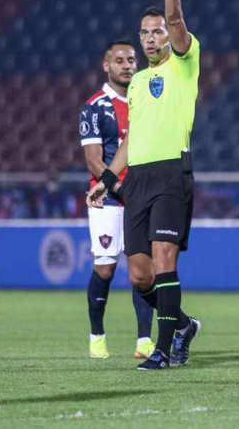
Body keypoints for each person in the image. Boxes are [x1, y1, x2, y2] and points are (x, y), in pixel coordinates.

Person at [87, 0, 200, 370]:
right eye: (146, 33)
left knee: (164, 260)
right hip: (138, 180)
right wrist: (105, 179)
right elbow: (131, 141)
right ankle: (183, 325)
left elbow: (177, 21)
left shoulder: (185, 63)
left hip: (173, 172)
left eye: (157, 32)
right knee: (139, 275)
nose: (152, 38)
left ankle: (164, 348)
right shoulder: (136, 82)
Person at [79, 40, 155, 359]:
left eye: (131, 59)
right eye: (119, 60)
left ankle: (143, 341)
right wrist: (122, 190)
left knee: (142, 269)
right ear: (106, 66)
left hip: (142, 196)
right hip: (109, 199)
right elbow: (94, 160)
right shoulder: (94, 107)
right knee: (106, 268)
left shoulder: (147, 100)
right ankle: (97, 336)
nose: (127, 65)